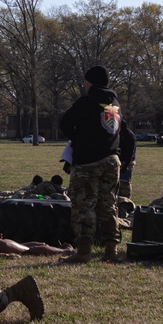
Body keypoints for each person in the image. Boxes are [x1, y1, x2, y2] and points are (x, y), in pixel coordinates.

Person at [59, 65, 123, 263]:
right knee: (108, 206)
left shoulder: (87, 101)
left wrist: (78, 140)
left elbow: (65, 123)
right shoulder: (114, 103)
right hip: (112, 160)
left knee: (83, 206)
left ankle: (84, 251)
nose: (84, 84)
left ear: (91, 82)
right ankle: (111, 250)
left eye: (85, 81)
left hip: (88, 162)